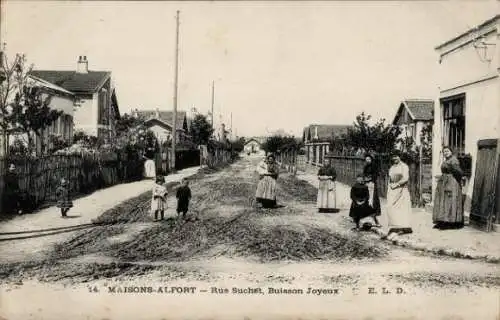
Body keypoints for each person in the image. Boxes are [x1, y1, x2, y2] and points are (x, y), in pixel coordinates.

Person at [433, 146, 465, 230]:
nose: (445, 153)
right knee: (442, 201)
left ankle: (451, 222)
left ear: (451, 152)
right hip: (444, 182)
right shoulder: (446, 160)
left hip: (452, 183)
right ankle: (442, 221)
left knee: (449, 202)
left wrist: (452, 174)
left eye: (447, 151)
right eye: (444, 152)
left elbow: (459, 172)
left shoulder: (454, 160)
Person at [383, 150, 413, 240]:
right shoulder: (392, 167)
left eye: (396, 156)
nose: (395, 158)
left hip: (401, 189)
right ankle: (394, 227)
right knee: (390, 207)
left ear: (400, 157)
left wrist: (397, 185)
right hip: (392, 189)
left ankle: (400, 228)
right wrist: (390, 187)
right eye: (393, 156)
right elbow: (389, 178)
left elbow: (406, 178)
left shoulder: (404, 166)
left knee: (401, 208)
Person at [363, 154, 382, 227]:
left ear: (371, 160)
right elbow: (364, 174)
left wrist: (370, 179)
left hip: (372, 184)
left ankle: (375, 219)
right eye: (366, 159)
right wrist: (365, 179)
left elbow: (376, 175)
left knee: (372, 200)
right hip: (366, 184)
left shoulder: (374, 166)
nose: (367, 161)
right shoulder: (365, 167)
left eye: (369, 159)